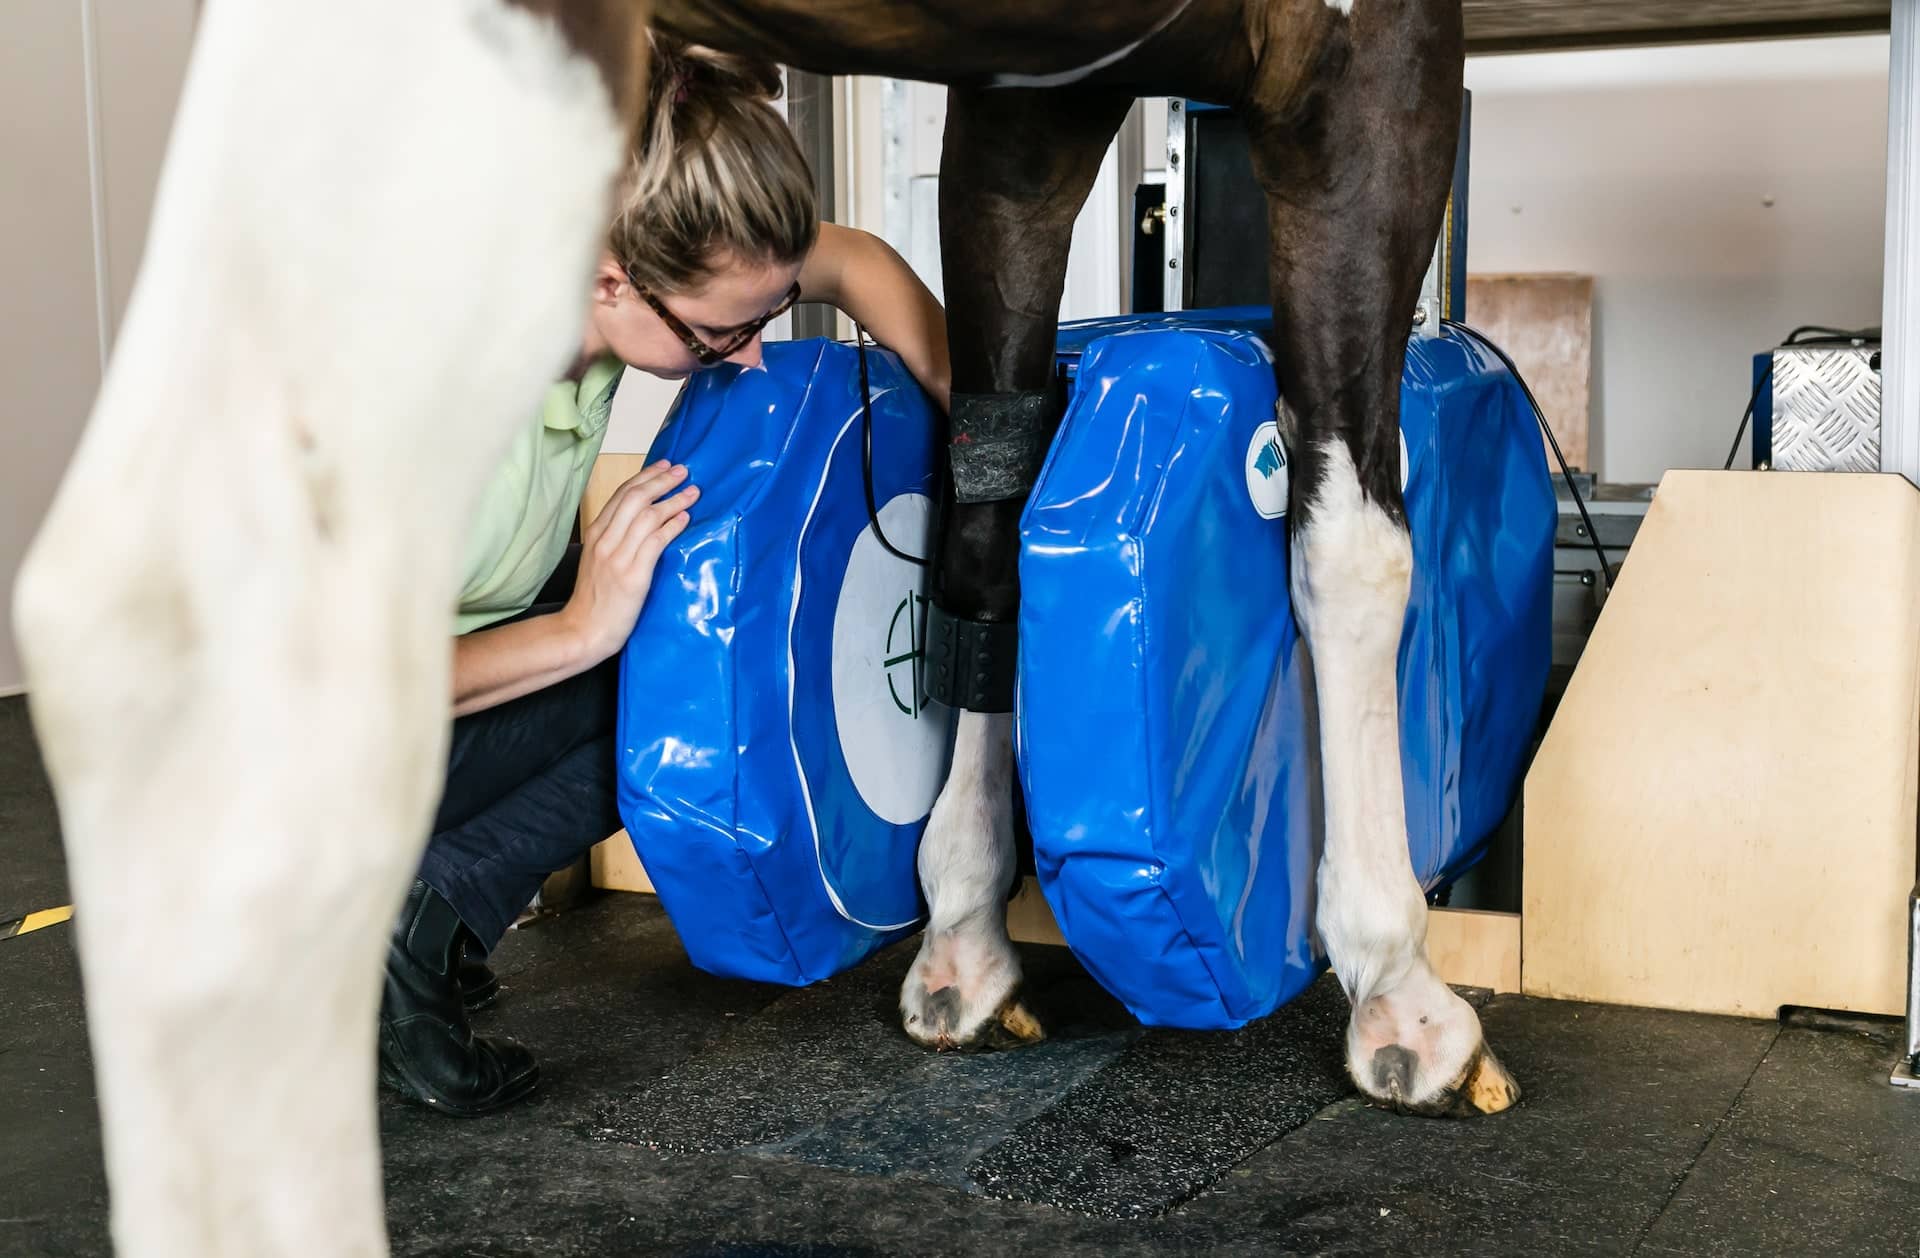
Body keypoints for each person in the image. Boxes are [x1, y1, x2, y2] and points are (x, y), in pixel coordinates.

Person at [378, 40, 950, 1116]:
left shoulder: (616, 266)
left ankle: (426, 903)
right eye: (721, 331)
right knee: (667, 674)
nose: (744, 357)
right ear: (611, 280)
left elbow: (854, 260)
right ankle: (395, 929)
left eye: (763, 322)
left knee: (669, 660)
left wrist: (986, 425)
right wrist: (581, 629)